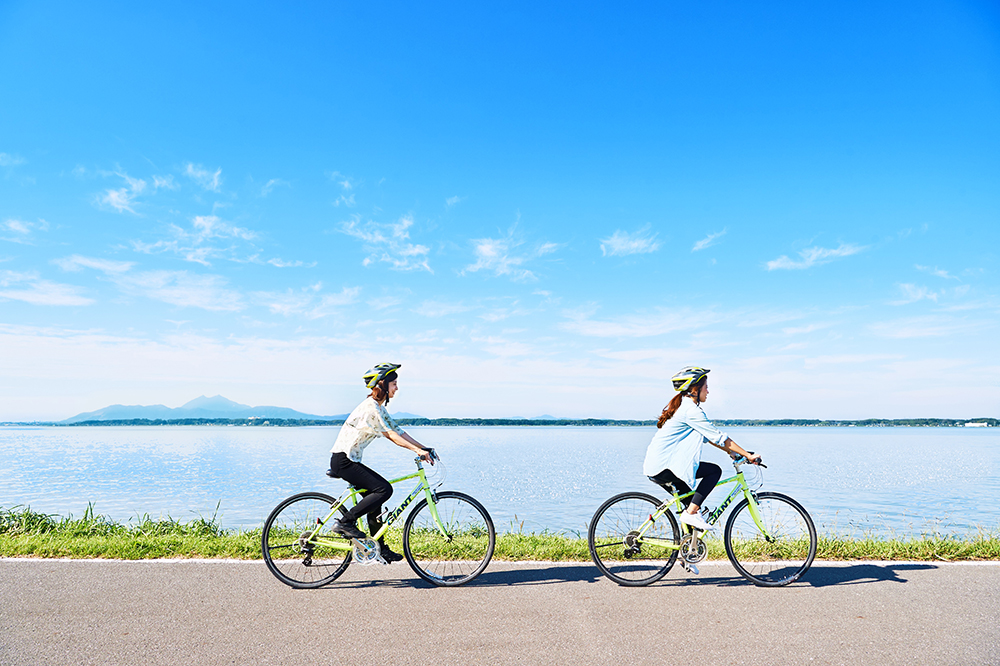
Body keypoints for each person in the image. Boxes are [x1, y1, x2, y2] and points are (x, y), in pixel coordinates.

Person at [327, 362, 435, 562]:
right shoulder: (371, 409)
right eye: (394, 383)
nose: (397, 388)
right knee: (384, 490)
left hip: (348, 460)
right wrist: (417, 451)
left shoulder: (378, 407)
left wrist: (423, 447)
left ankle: (380, 547)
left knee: (375, 498)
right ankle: (345, 522)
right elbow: (392, 435)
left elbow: (399, 430)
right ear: (383, 384)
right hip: (344, 461)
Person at [643, 366, 760, 532]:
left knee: (694, 507)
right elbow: (719, 437)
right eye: (706, 387)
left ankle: (688, 552)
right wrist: (748, 455)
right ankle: (690, 514)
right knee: (713, 472)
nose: (708, 392)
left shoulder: (684, 408)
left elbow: (708, 437)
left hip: (660, 466)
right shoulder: (691, 411)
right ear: (695, 389)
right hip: (665, 467)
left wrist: (732, 452)